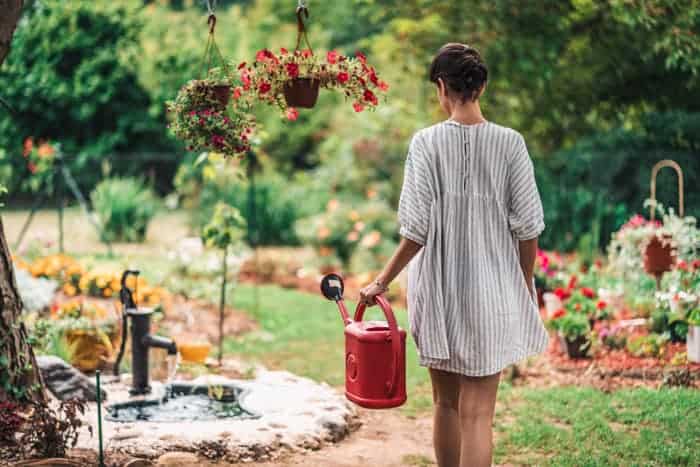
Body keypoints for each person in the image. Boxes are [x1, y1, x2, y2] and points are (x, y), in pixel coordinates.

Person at [359, 43, 548, 467]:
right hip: (493, 292)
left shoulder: (425, 143)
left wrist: (380, 282)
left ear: (442, 87)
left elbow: (415, 232)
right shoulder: (511, 144)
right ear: (482, 86)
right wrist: (523, 283)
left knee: (445, 405)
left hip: (438, 293)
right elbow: (529, 228)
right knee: (478, 416)